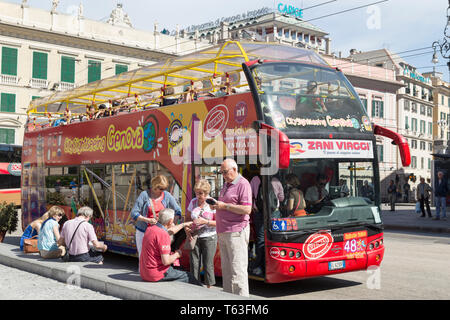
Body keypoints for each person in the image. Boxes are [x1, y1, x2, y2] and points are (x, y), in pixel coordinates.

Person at [211, 158, 252, 297]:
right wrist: (217, 205)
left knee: (237, 271)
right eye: (221, 172)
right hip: (224, 231)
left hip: (236, 231)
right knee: (227, 271)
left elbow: (247, 209)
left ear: (234, 169)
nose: (223, 175)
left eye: (225, 172)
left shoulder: (243, 184)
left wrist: (225, 206)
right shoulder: (227, 184)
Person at [140, 208, 200, 285]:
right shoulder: (163, 235)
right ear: (171, 221)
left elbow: (169, 231)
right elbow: (166, 261)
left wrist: (183, 224)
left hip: (144, 273)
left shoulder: (150, 229)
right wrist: (177, 254)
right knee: (189, 276)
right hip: (156, 274)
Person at [130, 175, 182, 258]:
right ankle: (143, 271)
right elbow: (134, 213)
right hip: (144, 231)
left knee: (159, 257)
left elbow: (178, 211)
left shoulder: (167, 195)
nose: (163, 191)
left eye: (164, 189)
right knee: (144, 257)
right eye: (161, 189)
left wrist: (173, 223)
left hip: (160, 232)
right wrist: (147, 220)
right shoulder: (144, 195)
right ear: (155, 186)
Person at [184, 179, 217, 288]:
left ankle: (209, 287)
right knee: (194, 262)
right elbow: (187, 218)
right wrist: (187, 230)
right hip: (195, 236)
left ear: (207, 193)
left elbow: (218, 222)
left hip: (209, 236)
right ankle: (194, 285)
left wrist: (205, 222)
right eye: (197, 193)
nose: (198, 196)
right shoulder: (193, 202)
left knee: (208, 263)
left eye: (201, 193)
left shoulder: (212, 203)